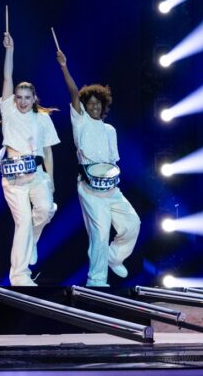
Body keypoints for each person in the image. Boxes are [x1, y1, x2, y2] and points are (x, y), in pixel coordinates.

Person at [56, 48, 140, 287]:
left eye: (97, 104)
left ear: (103, 106)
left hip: (111, 188)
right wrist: (64, 65)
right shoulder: (80, 121)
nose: (93, 107)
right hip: (90, 188)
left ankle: (115, 257)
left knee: (133, 223)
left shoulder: (110, 130)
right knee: (100, 234)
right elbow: (73, 91)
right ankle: (97, 280)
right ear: (84, 106)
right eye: (89, 104)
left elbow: (114, 162)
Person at [0, 31, 59, 286]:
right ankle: (19, 275)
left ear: (34, 98)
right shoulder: (9, 111)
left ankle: (31, 242)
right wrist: (10, 50)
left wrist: (52, 181)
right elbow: (7, 76)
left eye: (26, 97)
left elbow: (48, 151)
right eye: (19, 97)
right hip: (13, 178)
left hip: (36, 175)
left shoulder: (42, 119)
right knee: (22, 222)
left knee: (45, 209)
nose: (22, 101)